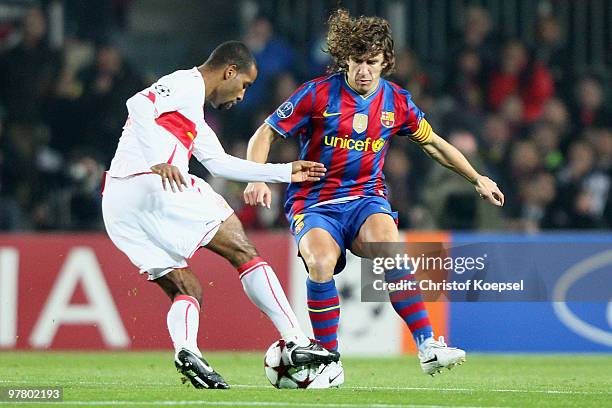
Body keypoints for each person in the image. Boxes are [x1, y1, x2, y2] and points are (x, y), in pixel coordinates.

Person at [244, 10, 505, 380]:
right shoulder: (317, 93)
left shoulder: (396, 102)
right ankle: (329, 359)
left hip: (366, 198)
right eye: (357, 62)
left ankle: (428, 345)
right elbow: (264, 134)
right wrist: (257, 178)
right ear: (344, 61)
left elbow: (434, 145)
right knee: (319, 263)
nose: (364, 71)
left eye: (372, 63)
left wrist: (477, 177)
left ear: (385, 63)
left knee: (389, 245)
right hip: (315, 203)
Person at [101, 41, 339, 390]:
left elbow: (219, 162)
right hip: (153, 184)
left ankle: (187, 350)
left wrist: (285, 172)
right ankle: (296, 339)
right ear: (229, 71)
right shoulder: (185, 83)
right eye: (244, 84)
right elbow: (136, 103)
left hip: (118, 204)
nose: (242, 95)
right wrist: (159, 158)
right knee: (243, 251)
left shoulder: (191, 113)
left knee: (186, 288)